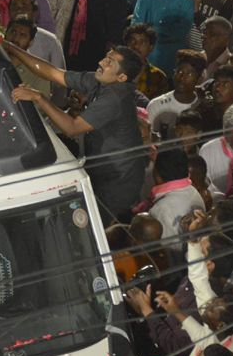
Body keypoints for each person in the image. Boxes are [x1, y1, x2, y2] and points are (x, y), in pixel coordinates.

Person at [8, 44, 147, 222]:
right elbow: (53, 73)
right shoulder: (99, 80)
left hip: (118, 181)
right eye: (106, 58)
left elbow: (72, 128)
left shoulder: (114, 97)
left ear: (121, 77)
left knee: (97, 228)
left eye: (109, 62)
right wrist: (10, 48)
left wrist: (39, 97)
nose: (101, 62)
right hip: (99, 169)